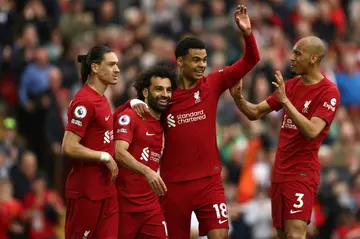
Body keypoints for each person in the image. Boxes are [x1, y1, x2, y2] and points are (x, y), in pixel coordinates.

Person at [125, 5, 260, 239]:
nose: (201, 65)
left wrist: (247, 34)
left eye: (204, 60)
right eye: (195, 60)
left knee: (221, 235)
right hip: (174, 185)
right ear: (180, 61)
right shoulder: (165, 95)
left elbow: (251, 60)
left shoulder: (213, 84)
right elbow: (140, 111)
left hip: (209, 181)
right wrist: (131, 104)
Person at [230, 36, 340, 238]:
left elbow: (312, 131)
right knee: (281, 235)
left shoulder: (328, 92)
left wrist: (286, 103)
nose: (292, 57)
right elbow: (254, 112)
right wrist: (239, 99)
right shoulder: (289, 86)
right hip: (280, 172)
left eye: (298, 53)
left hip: (302, 173)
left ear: (314, 58)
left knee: (295, 234)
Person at [61, 45, 120, 239]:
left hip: (106, 189)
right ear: (94, 67)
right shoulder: (84, 101)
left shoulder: (102, 99)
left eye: (117, 65)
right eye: (111, 64)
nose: (117, 69)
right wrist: (104, 157)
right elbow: (68, 146)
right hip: (86, 191)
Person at [113, 65, 177, 239]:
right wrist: (148, 172)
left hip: (151, 206)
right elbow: (119, 152)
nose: (164, 94)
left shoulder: (165, 122)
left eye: (168, 90)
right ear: (146, 92)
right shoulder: (132, 116)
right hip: (124, 205)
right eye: (158, 89)